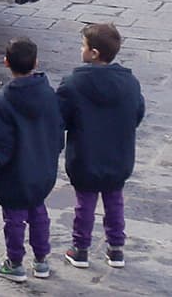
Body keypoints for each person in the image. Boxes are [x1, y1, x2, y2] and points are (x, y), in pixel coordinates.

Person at [57, 23, 144, 270]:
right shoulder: (130, 83)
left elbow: (60, 118)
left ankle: (80, 249)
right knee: (114, 200)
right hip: (119, 155)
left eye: (82, 45)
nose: (80, 49)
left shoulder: (73, 83)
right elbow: (137, 113)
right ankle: (116, 249)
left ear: (93, 53)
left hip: (85, 155)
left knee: (85, 203)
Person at [0, 37, 65, 283]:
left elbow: (1, 146)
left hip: (14, 172)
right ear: (36, 62)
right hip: (42, 168)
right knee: (39, 211)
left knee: (14, 217)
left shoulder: (1, 101)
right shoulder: (50, 95)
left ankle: (14, 262)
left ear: (6, 62)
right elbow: (57, 132)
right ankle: (41, 261)